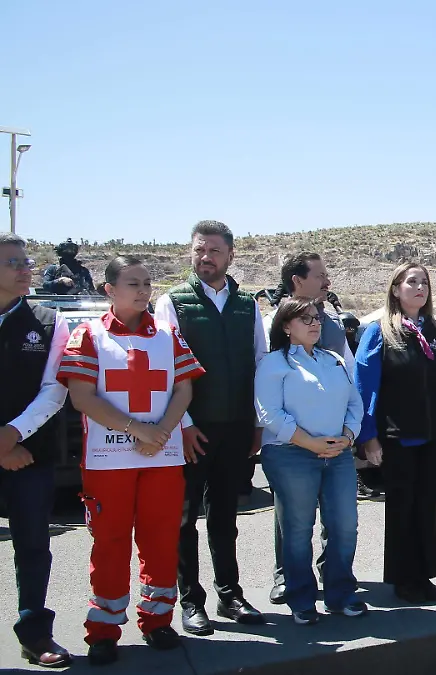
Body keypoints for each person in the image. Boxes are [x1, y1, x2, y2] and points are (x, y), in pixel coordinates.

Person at [58, 256, 203, 666]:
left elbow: (184, 391)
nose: (143, 291)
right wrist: (138, 430)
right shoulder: (89, 335)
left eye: (147, 283)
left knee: (160, 540)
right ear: (109, 289)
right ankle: (103, 630)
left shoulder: (169, 335)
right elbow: (81, 397)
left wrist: (160, 432)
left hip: (163, 457)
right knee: (111, 542)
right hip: (108, 461)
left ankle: (157, 621)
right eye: (132, 283)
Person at [154, 220, 267, 635]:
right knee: (185, 519)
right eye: (200, 250)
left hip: (236, 428)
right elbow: (166, 371)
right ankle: (191, 600)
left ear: (230, 255)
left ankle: (230, 594)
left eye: (214, 251)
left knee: (225, 516)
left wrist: (257, 422)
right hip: (192, 430)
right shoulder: (174, 302)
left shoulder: (247, 305)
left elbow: (259, 364)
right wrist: (182, 424)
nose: (206, 257)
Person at [355, 263, 436, 600]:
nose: (419, 287)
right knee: (401, 506)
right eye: (411, 282)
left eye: (424, 283)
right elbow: (364, 387)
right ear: (395, 289)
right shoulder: (379, 332)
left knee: (426, 505)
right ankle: (403, 579)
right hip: (397, 437)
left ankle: (424, 574)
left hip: (434, 435)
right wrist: (368, 436)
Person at [256, 297, 364, 624]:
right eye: (305, 319)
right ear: (286, 327)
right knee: (298, 529)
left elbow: (354, 404)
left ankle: (340, 593)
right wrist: (310, 442)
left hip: (338, 454)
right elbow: (269, 412)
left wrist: (347, 437)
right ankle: (302, 598)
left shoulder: (334, 361)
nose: (314, 324)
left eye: (316, 318)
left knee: (345, 526)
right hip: (291, 455)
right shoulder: (274, 364)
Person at [0, 234, 72, 668]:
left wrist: (12, 433)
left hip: (30, 455)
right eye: (13, 263)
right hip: (9, 450)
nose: (26, 268)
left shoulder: (49, 321)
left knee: (32, 546)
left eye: (26, 260)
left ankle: (34, 633)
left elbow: (53, 392)